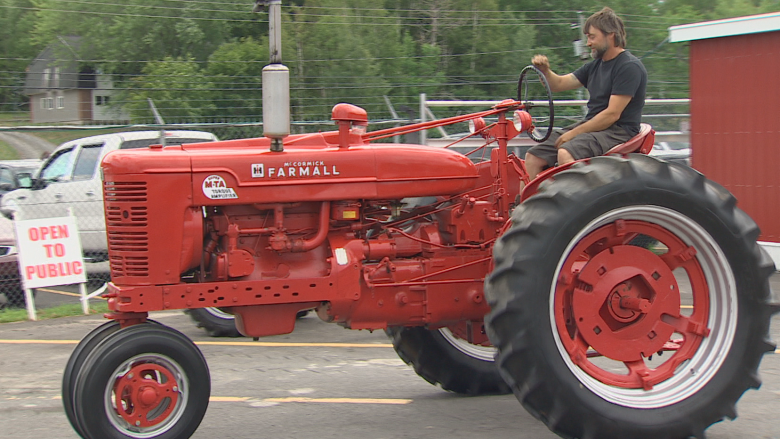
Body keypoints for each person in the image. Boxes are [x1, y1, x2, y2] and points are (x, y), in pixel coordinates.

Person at [524, 7, 647, 180]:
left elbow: (612, 114)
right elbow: (559, 84)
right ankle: (526, 205)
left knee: (566, 153)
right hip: (594, 127)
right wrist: (545, 71)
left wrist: (573, 133)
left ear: (610, 35)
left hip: (618, 131)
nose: (588, 43)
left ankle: (572, 203)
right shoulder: (595, 65)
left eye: (592, 36)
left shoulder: (628, 67)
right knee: (533, 157)